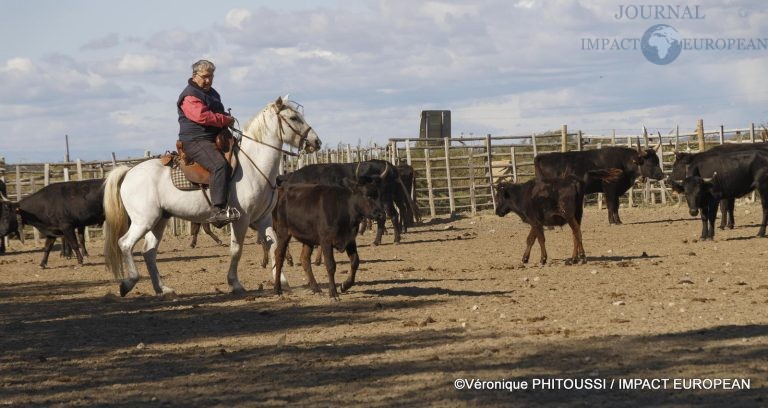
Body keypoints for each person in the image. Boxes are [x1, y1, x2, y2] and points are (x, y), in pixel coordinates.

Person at [177, 59, 239, 225]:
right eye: (205, 76)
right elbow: (202, 116)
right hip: (196, 139)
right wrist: (225, 119)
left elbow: (216, 112)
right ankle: (218, 210)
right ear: (194, 75)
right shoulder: (190, 95)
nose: (208, 80)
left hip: (213, 137)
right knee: (219, 165)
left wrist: (225, 117)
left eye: (211, 76)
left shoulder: (212, 93)